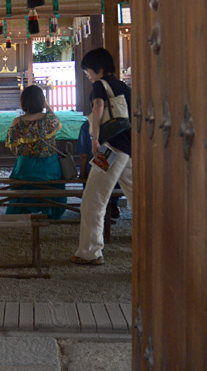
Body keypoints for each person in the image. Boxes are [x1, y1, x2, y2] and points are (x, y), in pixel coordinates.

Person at [70, 48, 134, 266]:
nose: (87, 75)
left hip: (110, 149)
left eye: (88, 70)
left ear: (98, 69)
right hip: (128, 150)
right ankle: (156, 243)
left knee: (92, 200)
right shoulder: (124, 87)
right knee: (139, 199)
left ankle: (90, 251)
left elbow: (98, 106)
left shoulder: (100, 84)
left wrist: (94, 138)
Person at [4, 85, 66, 219]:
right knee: (56, 180)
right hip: (49, 168)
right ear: (42, 101)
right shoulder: (50, 120)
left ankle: (21, 211)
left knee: (19, 176)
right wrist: (46, 105)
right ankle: (50, 211)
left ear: (23, 102)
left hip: (26, 168)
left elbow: (13, 148)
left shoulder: (17, 122)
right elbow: (57, 119)